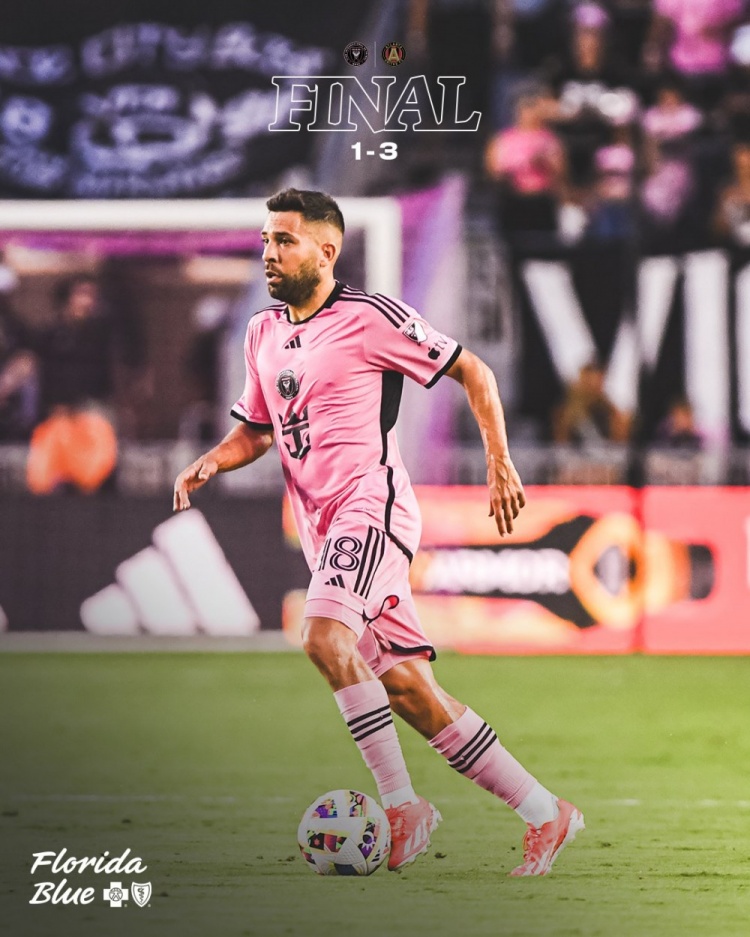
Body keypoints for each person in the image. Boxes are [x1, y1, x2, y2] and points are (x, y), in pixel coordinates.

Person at [173, 189, 584, 877]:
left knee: (321, 636)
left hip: (372, 507)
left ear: (327, 250)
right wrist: (215, 458)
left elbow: (472, 369)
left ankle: (401, 806)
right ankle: (547, 811)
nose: (270, 252)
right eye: (267, 239)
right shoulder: (262, 332)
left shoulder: (369, 318)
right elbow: (259, 430)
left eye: (285, 240)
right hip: (321, 527)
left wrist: (499, 459)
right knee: (411, 692)